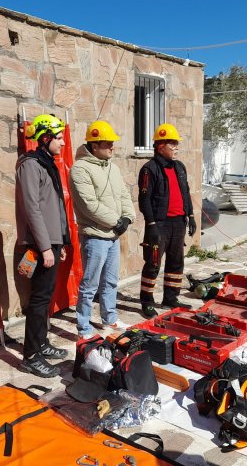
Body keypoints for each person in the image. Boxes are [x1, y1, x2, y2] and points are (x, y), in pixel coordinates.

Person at [15, 114, 70, 378]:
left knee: (45, 297)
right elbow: (32, 208)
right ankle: (31, 356)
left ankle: (42, 343)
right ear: (45, 138)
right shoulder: (30, 165)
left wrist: (61, 241)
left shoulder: (48, 163)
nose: (63, 143)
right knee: (38, 300)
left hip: (52, 240)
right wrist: (46, 246)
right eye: (58, 138)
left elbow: (55, 206)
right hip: (40, 243)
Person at [69, 120, 135, 339]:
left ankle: (110, 317)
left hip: (113, 235)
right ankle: (84, 327)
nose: (112, 147)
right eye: (108, 143)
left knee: (110, 281)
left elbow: (124, 195)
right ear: (94, 145)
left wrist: (128, 217)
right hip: (95, 236)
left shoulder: (112, 168)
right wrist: (116, 221)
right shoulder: (79, 169)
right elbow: (88, 204)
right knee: (90, 284)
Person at [138, 123, 197, 318]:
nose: (176, 147)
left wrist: (190, 216)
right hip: (159, 224)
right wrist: (151, 225)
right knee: (153, 263)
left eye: (176, 143)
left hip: (178, 223)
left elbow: (186, 193)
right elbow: (144, 200)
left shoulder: (180, 167)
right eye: (172, 143)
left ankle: (170, 298)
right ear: (160, 146)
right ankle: (147, 302)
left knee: (176, 262)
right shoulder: (149, 169)